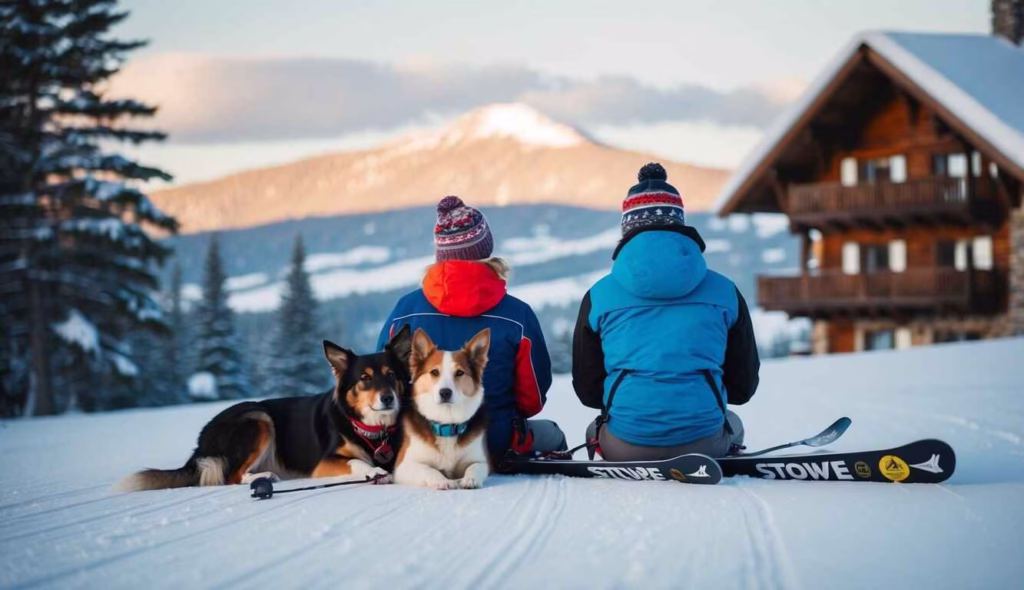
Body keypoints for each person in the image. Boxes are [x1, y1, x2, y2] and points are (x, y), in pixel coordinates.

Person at [572, 163, 759, 460]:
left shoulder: (598, 295)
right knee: (733, 423)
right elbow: (743, 388)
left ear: (627, 229)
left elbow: (588, 390)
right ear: (679, 224)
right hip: (704, 443)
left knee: (591, 430)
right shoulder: (725, 292)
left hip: (624, 445)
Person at [377, 196, 565, 463]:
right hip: (492, 441)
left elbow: (384, 384)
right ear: (486, 249)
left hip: (419, 444)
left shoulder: (405, 310)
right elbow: (531, 400)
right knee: (552, 435)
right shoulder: (517, 315)